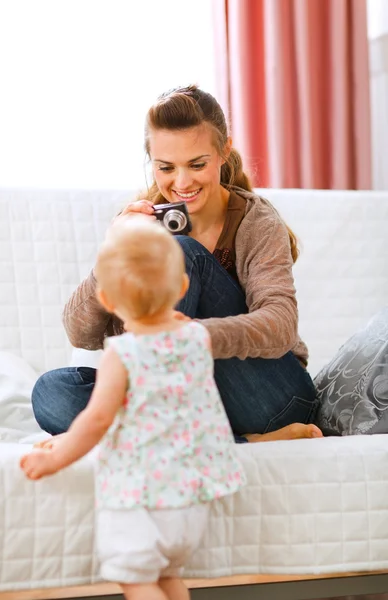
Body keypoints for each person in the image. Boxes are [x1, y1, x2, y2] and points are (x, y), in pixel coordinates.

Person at [32, 84, 322, 444]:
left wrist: (192, 338)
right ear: (151, 162)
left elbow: (280, 324)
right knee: (51, 392)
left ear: (223, 152)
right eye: (166, 167)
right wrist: (111, 251)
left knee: (182, 252)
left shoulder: (255, 222)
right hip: (188, 403)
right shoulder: (141, 220)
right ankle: (233, 441)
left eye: (197, 165)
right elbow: (81, 334)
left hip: (268, 395)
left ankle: (141, 427)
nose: (182, 182)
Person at [21, 218, 246, 600]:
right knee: (169, 578)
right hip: (191, 496)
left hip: (145, 497)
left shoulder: (122, 355)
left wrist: (57, 457)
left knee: (137, 580)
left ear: (107, 301)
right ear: (183, 288)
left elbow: (96, 420)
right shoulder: (197, 337)